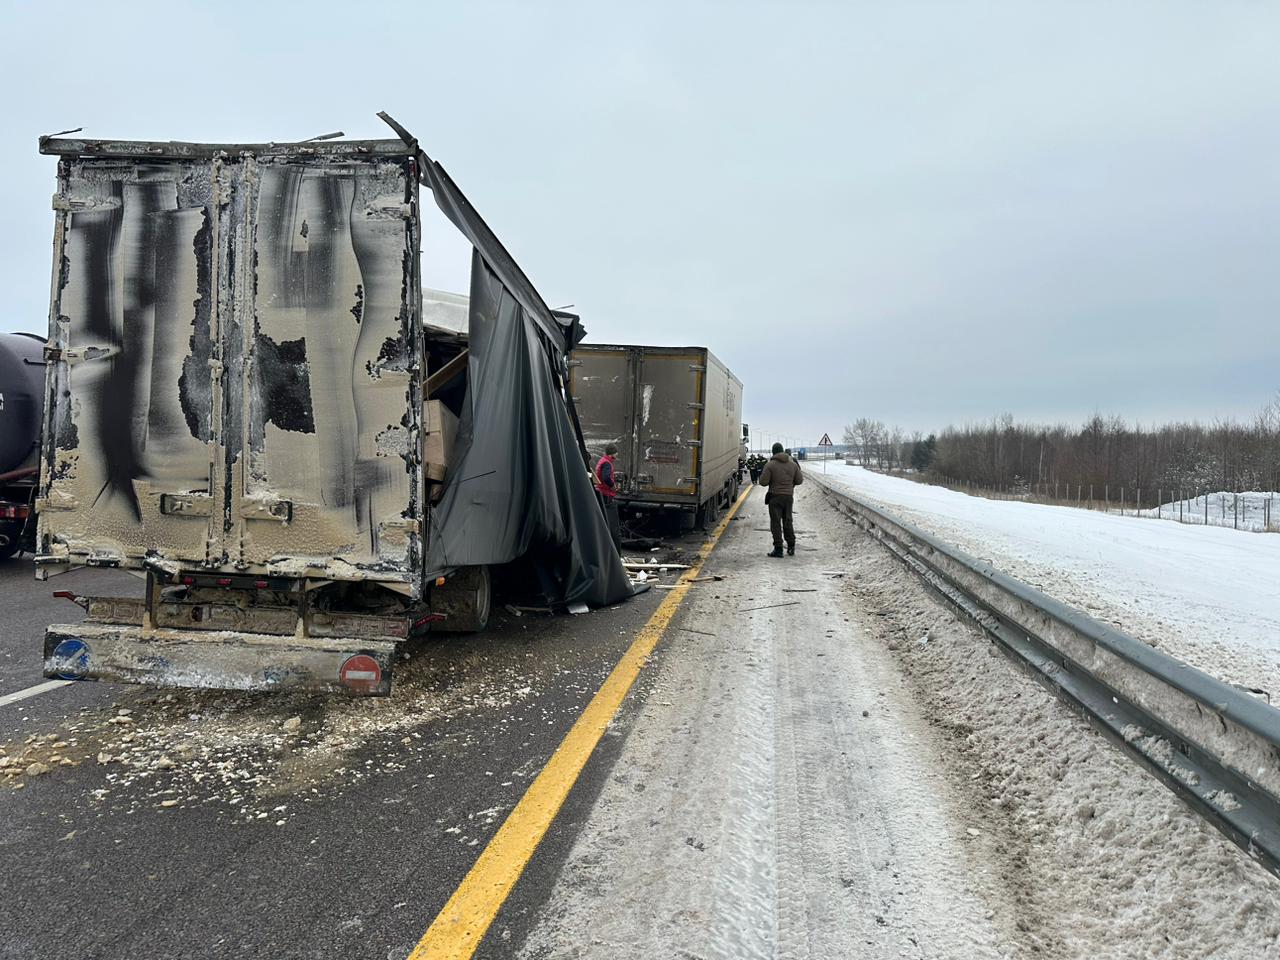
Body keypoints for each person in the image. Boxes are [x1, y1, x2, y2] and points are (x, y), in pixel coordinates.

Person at [759, 442, 802, 557]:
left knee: (776, 523)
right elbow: (799, 480)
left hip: (775, 497)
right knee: (788, 521)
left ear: (773, 452)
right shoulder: (793, 464)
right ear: (783, 451)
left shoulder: (770, 465)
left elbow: (763, 482)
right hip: (788, 497)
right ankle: (791, 546)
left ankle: (778, 549)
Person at [594, 443, 622, 552]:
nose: (617, 454)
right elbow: (606, 478)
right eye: (616, 452)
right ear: (612, 453)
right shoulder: (607, 463)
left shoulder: (602, 461)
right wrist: (613, 486)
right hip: (605, 494)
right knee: (609, 522)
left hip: (600, 492)